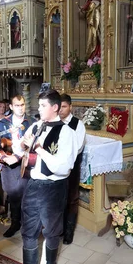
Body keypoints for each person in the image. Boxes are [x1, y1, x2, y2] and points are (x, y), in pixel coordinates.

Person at [8, 89, 78, 264]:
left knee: (52, 230)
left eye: (42, 106)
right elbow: (19, 151)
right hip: (33, 184)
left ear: (55, 108)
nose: (38, 109)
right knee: (28, 229)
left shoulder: (67, 133)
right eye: (38, 105)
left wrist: (38, 148)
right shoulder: (37, 126)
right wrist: (17, 140)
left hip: (53, 187)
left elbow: (64, 168)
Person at [0, 95, 34, 237]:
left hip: (25, 162)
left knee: (26, 194)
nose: (20, 108)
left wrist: (20, 154)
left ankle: (27, 224)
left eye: (22, 104)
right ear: (11, 107)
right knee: (13, 195)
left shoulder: (31, 121)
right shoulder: (4, 123)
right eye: (17, 105)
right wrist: (5, 156)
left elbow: (34, 145)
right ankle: (15, 223)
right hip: (9, 165)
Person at [59, 94, 86, 244]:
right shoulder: (55, 122)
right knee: (59, 197)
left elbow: (78, 147)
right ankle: (60, 228)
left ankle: (69, 231)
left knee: (71, 197)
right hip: (57, 166)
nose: (61, 110)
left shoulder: (77, 124)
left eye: (64, 107)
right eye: (59, 107)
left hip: (72, 165)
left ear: (70, 107)